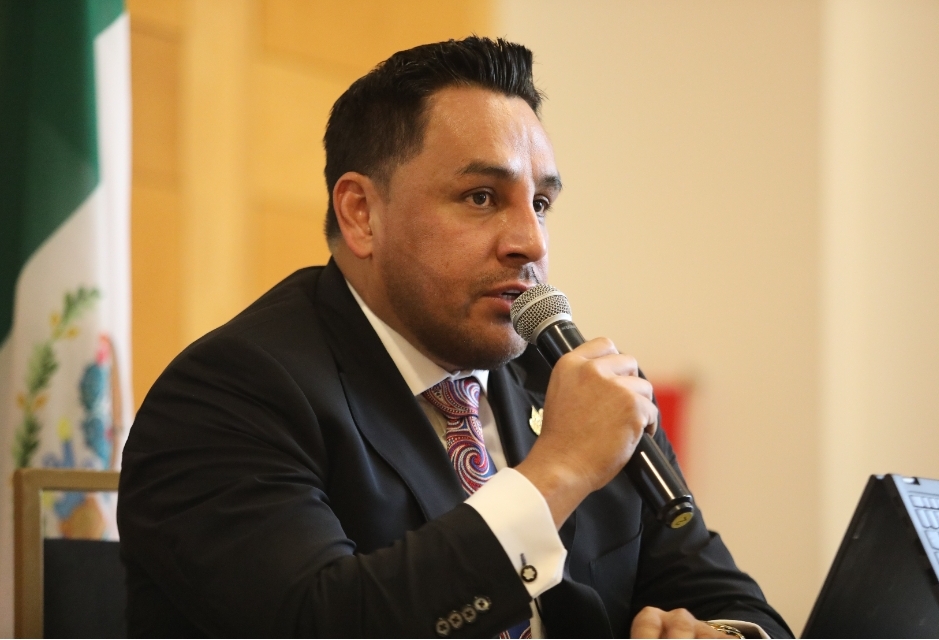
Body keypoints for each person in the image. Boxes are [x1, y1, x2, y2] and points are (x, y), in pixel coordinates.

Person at [117, 37, 792, 638]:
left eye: (541, 203)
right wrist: (557, 472)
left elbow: (731, 602)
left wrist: (722, 637)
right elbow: (324, 624)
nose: (530, 241)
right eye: (481, 197)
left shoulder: (568, 384)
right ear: (361, 213)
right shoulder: (231, 393)